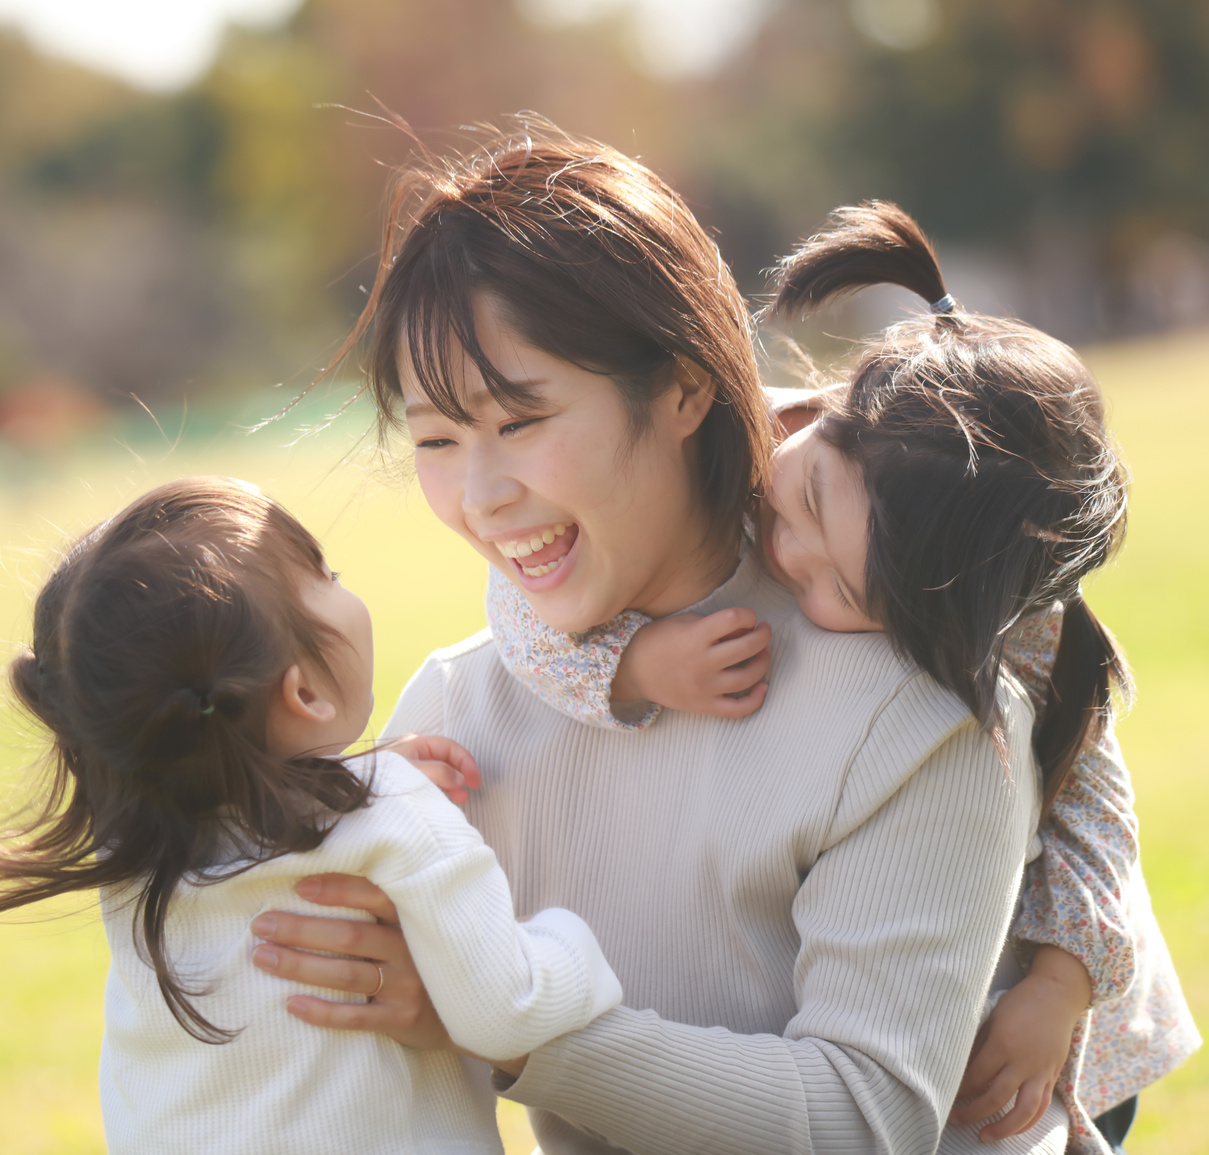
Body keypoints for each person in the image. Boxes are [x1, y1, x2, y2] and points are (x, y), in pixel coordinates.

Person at [248, 131, 1057, 1154]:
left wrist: (502, 1018)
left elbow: (863, 1119)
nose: (480, 500)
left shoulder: (914, 698)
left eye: (521, 419)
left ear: (682, 387)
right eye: (436, 441)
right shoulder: (452, 724)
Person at [486, 203, 1201, 1153]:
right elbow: (522, 587)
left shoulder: (1007, 609)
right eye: (809, 501)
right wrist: (627, 663)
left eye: (842, 589)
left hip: (1046, 1018)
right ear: (838, 407)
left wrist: (1058, 986)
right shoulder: (719, 444)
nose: (790, 552)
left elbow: (1094, 801)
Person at [0, 476, 623, 1154]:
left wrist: (358, 776)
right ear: (304, 692)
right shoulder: (397, 817)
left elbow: (260, 821)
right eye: (327, 578)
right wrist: (572, 942)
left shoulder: (140, 842)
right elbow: (507, 1011)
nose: (344, 585)